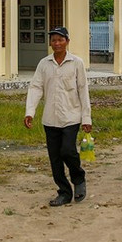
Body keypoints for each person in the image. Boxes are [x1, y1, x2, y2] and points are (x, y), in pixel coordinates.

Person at [24, 26, 92, 206]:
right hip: (50, 119)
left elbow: (83, 90)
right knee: (55, 158)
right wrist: (30, 112)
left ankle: (78, 179)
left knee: (67, 151)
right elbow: (36, 87)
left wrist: (86, 118)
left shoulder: (76, 63)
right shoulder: (44, 64)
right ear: (50, 43)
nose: (57, 43)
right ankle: (63, 192)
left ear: (67, 42)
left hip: (71, 116)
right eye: (53, 40)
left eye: (60, 40)